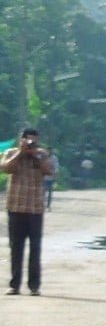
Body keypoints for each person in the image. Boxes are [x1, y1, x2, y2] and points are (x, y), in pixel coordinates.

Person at [3, 126, 54, 295]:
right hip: (16, 208)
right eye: (28, 140)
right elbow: (5, 168)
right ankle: (14, 285)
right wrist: (21, 152)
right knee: (16, 248)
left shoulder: (42, 154)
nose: (31, 143)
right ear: (21, 139)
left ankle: (34, 286)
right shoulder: (11, 153)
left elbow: (49, 171)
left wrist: (35, 156)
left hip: (35, 209)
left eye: (34, 140)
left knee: (35, 249)